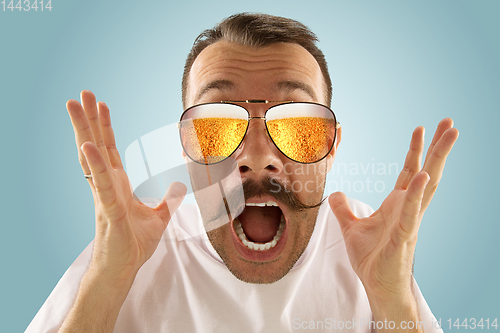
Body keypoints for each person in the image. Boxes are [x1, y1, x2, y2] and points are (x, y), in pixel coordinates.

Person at [26, 13, 458, 332]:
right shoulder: (127, 248)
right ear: (186, 147)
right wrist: (108, 277)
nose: (256, 155)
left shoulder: (369, 244)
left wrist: (392, 301)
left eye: (297, 125)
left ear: (331, 148)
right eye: (216, 125)